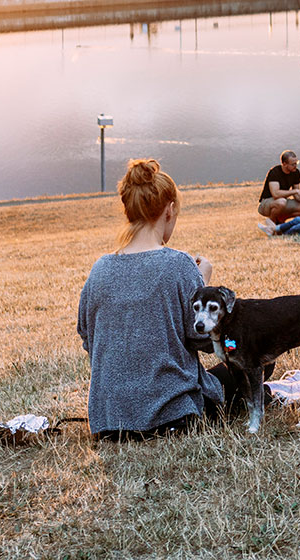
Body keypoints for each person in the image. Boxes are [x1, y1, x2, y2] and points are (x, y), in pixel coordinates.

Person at [76, 158, 230, 440]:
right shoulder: (179, 265)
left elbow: (89, 338)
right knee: (248, 358)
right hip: (172, 415)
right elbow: (208, 339)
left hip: (110, 423)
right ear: (170, 210)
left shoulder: (99, 270)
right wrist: (203, 284)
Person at [258, 149, 300, 225]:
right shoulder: (275, 172)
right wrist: (295, 191)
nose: (295, 166)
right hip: (267, 203)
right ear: (284, 164)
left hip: (283, 202)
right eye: (293, 164)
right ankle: (271, 223)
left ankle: (282, 219)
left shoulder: (296, 172)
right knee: (281, 202)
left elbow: (296, 195)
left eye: (296, 163)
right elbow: (275, 194)